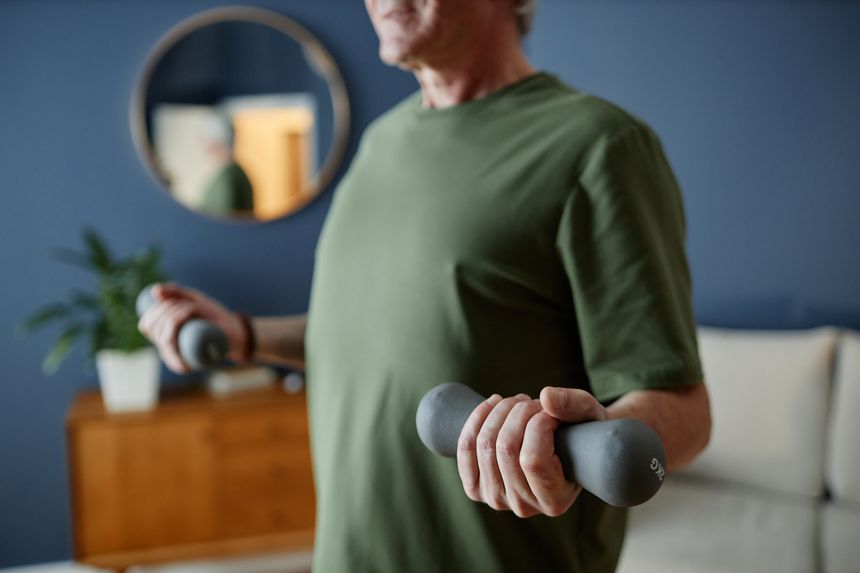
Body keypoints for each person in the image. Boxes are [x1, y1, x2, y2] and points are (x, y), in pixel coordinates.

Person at [139, 1, 712, 571]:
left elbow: (685, 411)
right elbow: (366, 334)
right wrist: (242, 334)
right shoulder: (380, 144)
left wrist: (595, 436)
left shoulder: (599, 146)